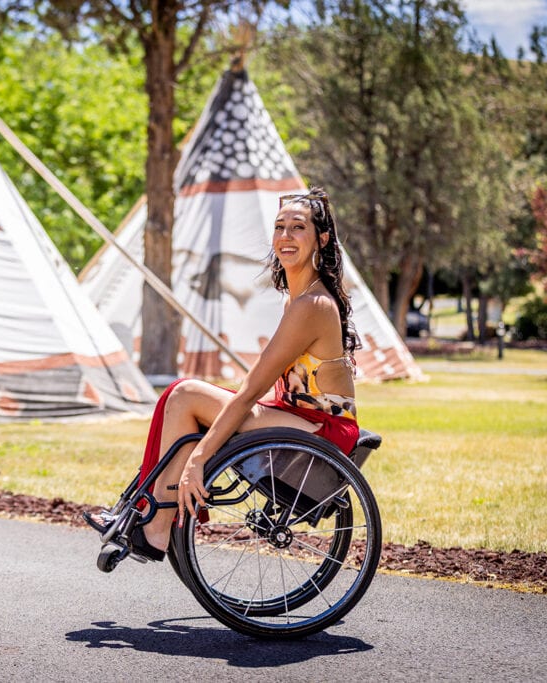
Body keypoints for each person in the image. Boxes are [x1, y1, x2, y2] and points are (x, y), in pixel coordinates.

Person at [85, 187, 361, 562]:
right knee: (179, 395)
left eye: (298, 227)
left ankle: (155, 525)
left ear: (321, 239)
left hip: (324, 431)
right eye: (279, 227)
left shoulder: (313, 304)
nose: (285, 236)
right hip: (299, 417)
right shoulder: (296, 298)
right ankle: (145, 510)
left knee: (185, 395)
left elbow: (250, 391)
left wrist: (198, 460)